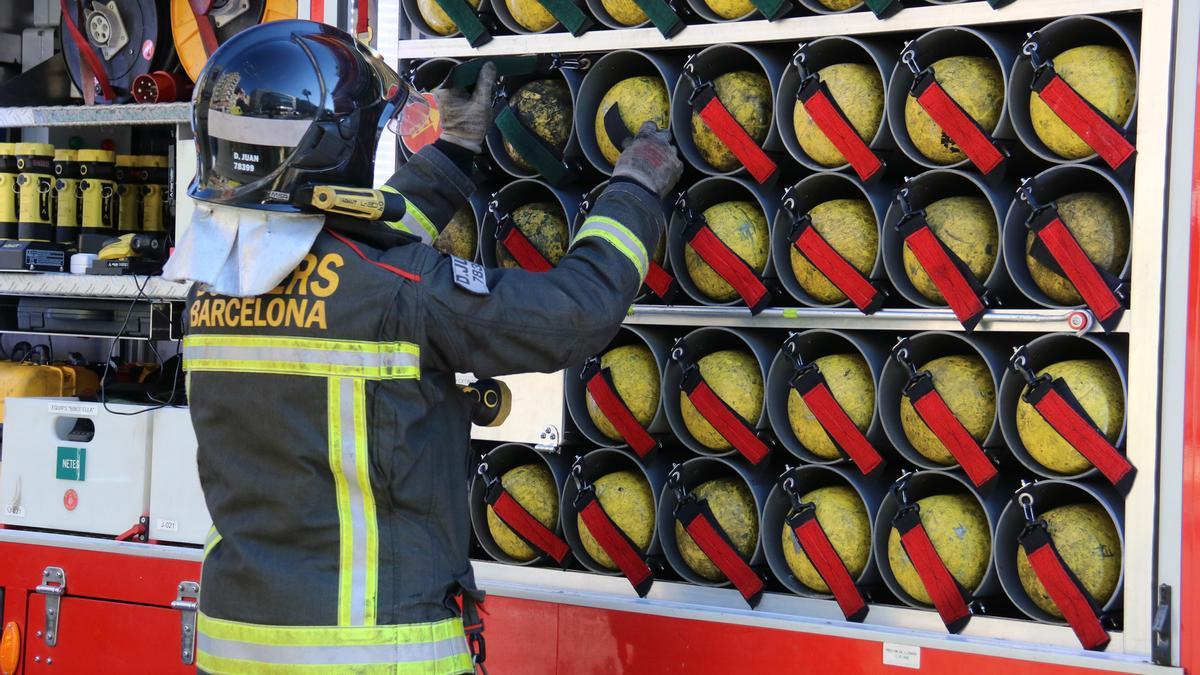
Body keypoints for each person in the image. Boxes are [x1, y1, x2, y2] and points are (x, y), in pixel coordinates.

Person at [163, 20, 683, 675]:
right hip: (372, 655)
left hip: (237, 648)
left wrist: (453, 153)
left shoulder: (212, 287)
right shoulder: (394, 296)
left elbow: (355, 236)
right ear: (331, 148)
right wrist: (634, 195)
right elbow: (572, 314)